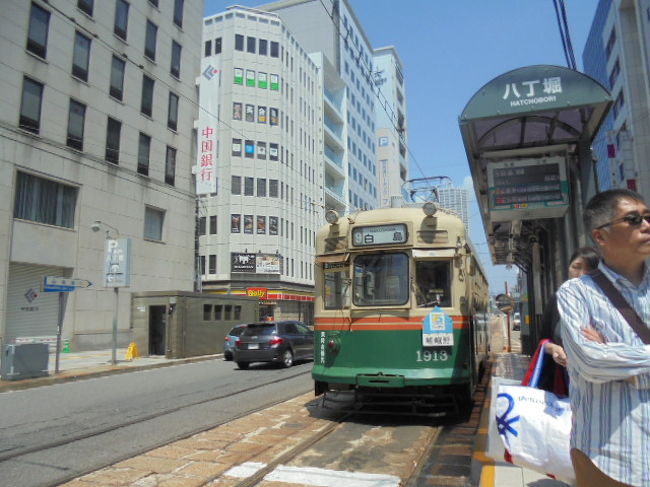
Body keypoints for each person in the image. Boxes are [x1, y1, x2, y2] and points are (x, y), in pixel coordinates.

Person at [557, 188, 650, 487]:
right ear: (600, 237)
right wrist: (603, 359)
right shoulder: (576, 293)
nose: (646, 225)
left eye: (648, 217)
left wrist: (625, 367)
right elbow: (590, 362)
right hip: (606, 458)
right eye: (633, 220)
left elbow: (602, 360)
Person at [538, 246, 599, 394]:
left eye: (588, 269)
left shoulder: (607, 302)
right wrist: (553, 349)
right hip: (563, 384)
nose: (581, 274)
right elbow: (542, 341)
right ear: (569, 268)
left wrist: (602, 343)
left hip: (601, 386)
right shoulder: (557, 300)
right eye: (576, 267)